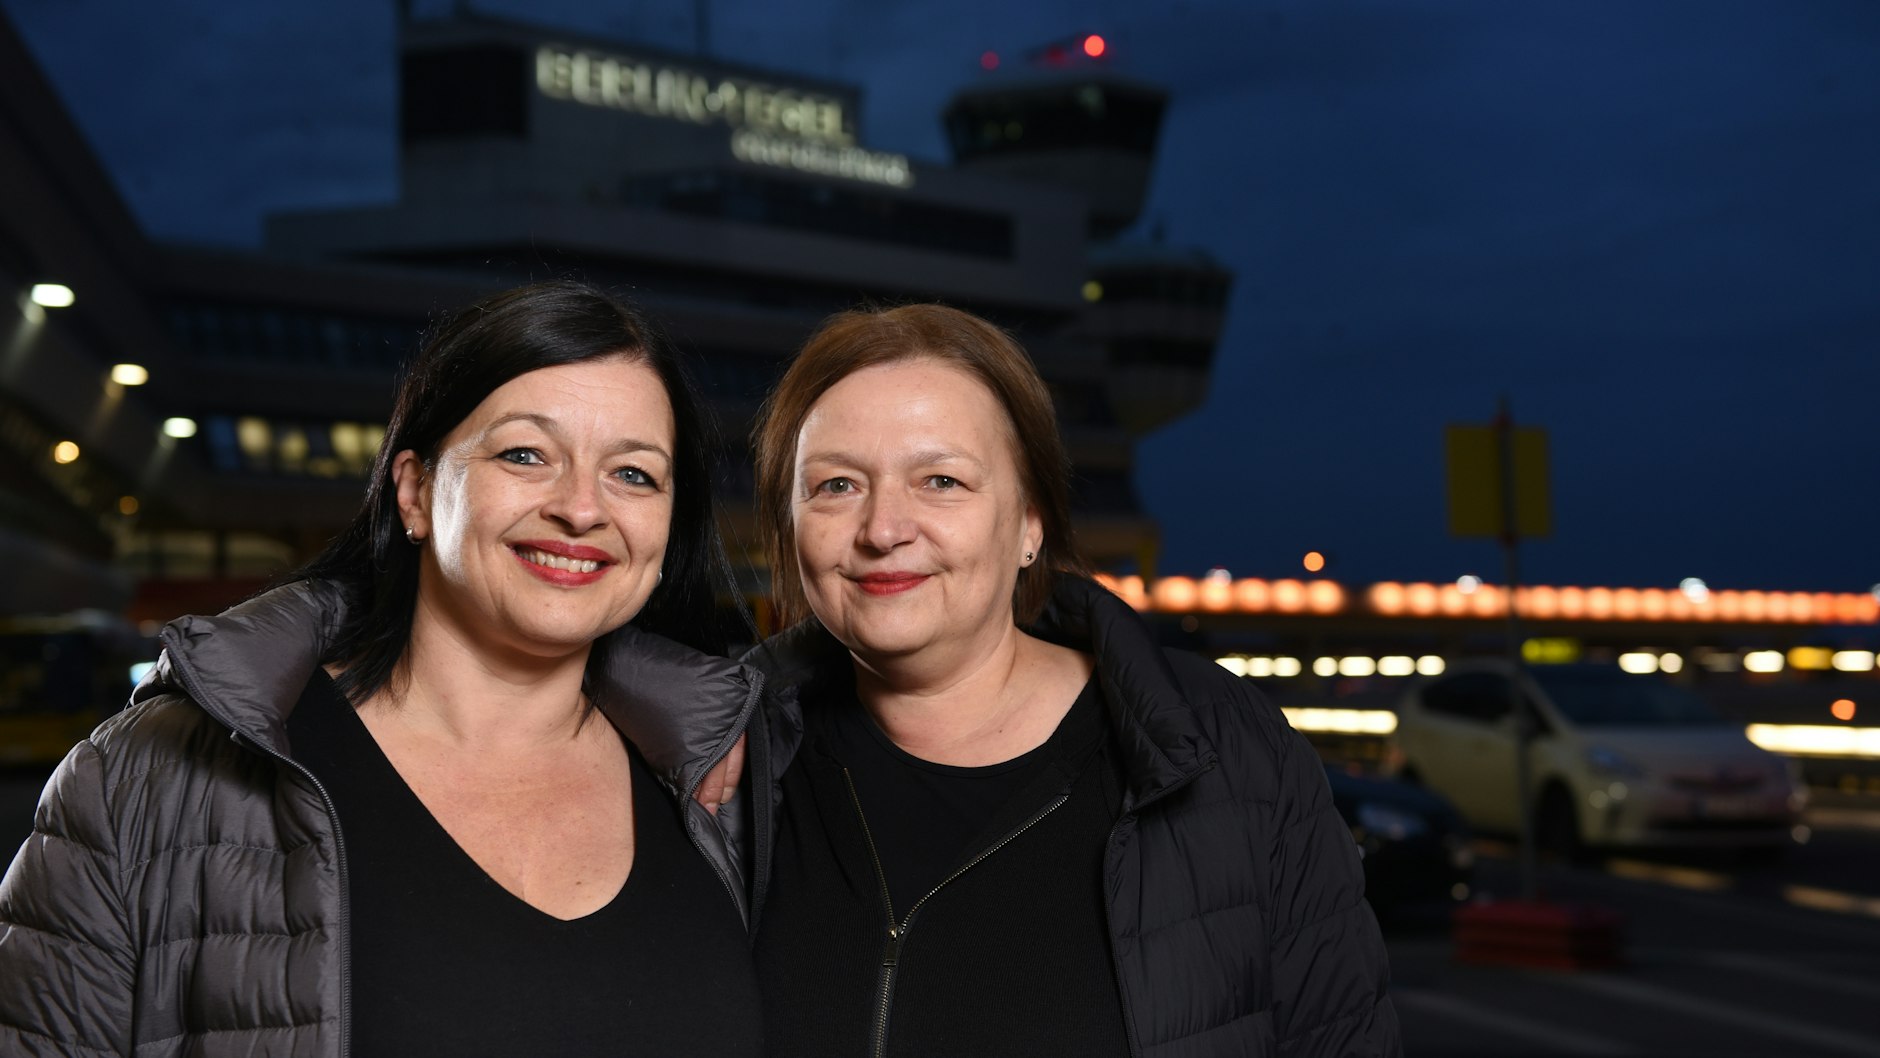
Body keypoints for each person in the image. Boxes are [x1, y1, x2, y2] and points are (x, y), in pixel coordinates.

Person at [0, 281, 766, 1057]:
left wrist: (755, 692)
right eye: (525, 454)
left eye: (633, 474)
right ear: (415, 490)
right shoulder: (151, 777)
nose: (581, 507)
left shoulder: (733, 793)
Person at [744, 304, 1401, 1057]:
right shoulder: (721, 763)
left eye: (941, 480)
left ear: (1030, 526)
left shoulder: (1231, 753)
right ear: (791, 528)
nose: (884, 528)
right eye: (835, 486)